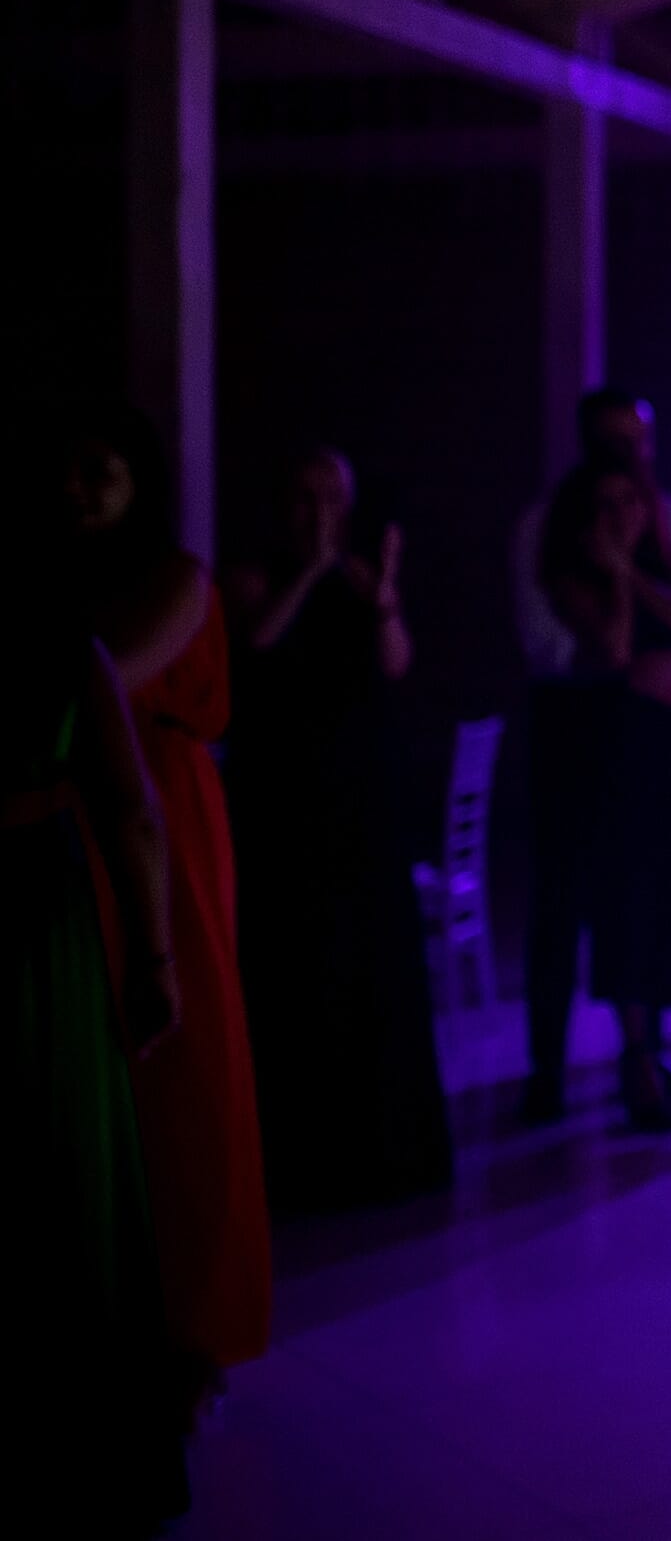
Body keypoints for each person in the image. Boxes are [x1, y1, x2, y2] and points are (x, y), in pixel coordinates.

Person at [58, 405, 272, 1404]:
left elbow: (96, 678)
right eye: (69, 469)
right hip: (76, 816)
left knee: (184, 1064)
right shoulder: (61, 585)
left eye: (102, 468)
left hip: (166, 820)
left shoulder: (177, 578)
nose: (82, 487)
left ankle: (188, 1326)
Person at [2, 513, 191, 1532]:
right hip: (35, 912)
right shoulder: (64, 646)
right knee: (62, 1164)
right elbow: (131, 810)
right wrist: (156, 959)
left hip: (32, 906)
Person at [223, 449, 453, 1211]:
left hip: (363, 799)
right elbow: (257, 645)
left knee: (370, 962)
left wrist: (384, 594)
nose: (318, 509)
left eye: (331, 496)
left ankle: (379, 1149)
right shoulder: (256, 575)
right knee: (299, 962)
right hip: (288, 800)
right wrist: (312, 569)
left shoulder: (362, 578)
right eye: (304, 494)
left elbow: (396, 663)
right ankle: (298, 1156)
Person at [512, 387, 671, 1125]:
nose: (627, 455)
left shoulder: (667, 523)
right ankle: (545, 1071)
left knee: (638, 897)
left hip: (639, 731)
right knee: (561, 901)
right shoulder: (548, 526)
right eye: (612, 439)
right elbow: (560, 648)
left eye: (637, 441)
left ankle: (644, 1063)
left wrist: (664, 655)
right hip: (573, 725)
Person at [539, 463, 671, 1132]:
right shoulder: (570, 579)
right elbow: (612, 647)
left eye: (630, 502)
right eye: (605, 505)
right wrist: (617, 582)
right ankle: (640, 1069)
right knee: (633, 904)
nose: (620, 515)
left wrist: (633, 577)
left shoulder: (670, 562)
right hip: (621, 752)